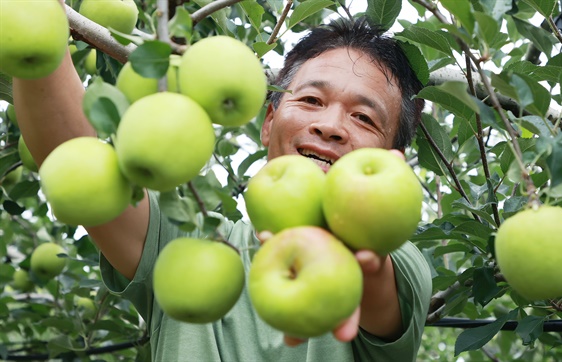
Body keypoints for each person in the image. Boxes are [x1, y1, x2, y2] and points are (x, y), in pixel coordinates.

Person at [14, 13, 432, 361]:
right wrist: (39, 16)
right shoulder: (187, 243)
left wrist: (365, 242)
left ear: (391, 157)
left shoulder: (397, 260)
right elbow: (74, 156)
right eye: (310, 101)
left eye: (364, 118)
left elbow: (378, 294)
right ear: (269, 121)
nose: (330, 126)